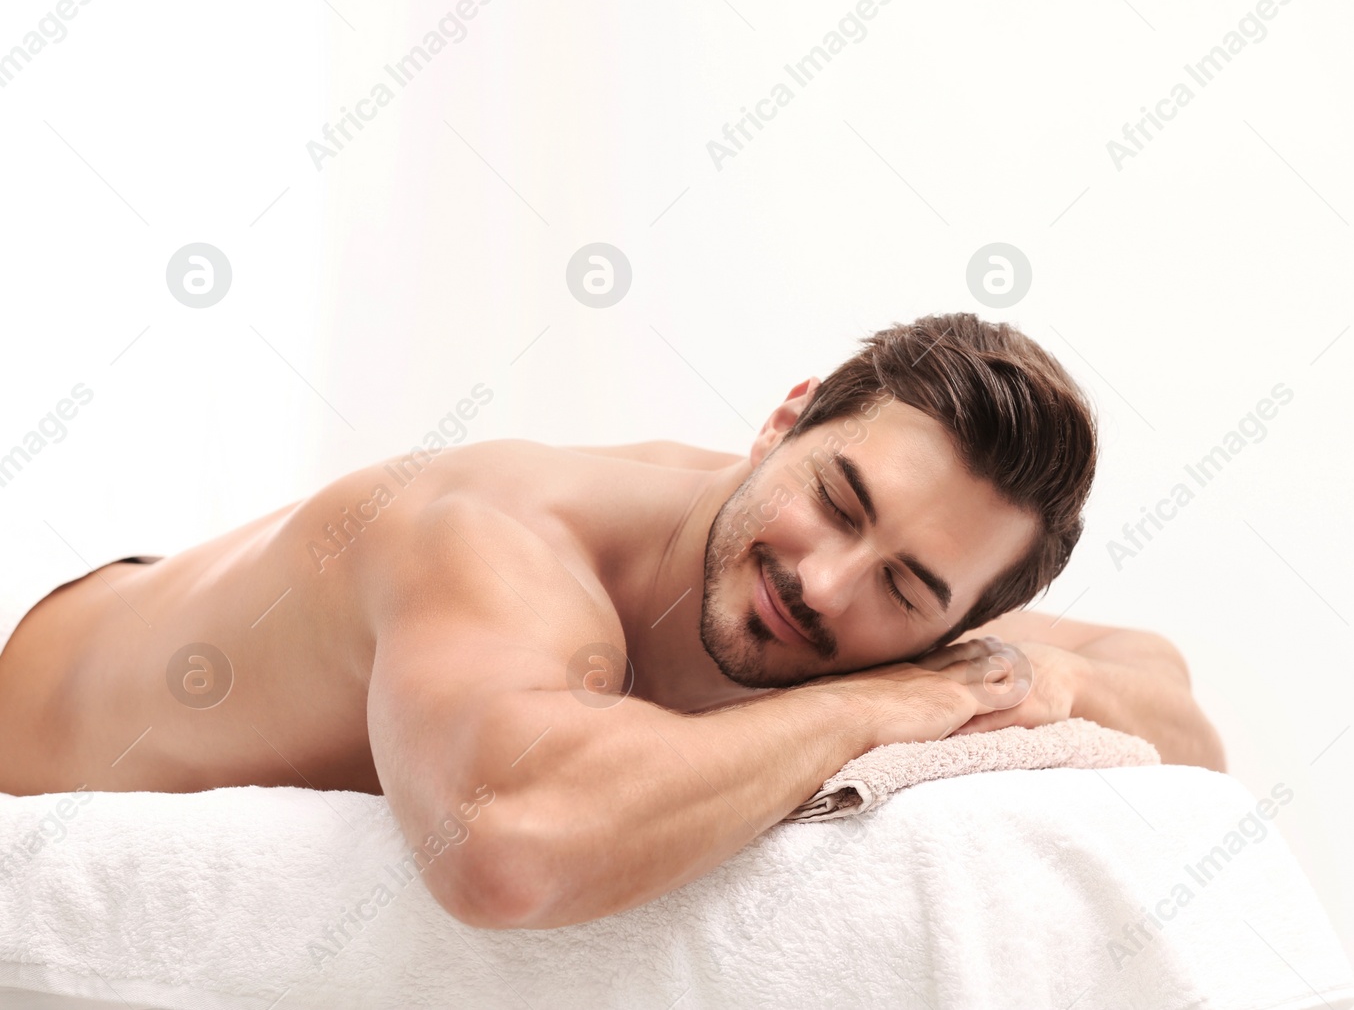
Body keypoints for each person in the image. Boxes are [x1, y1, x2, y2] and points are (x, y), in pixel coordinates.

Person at [0, 312, 1223, 929]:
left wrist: (1031, 680)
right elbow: (503, 847)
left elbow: (1173, 707)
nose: (827, 585)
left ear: (961, 614)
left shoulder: (892, 606)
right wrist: (881, 701)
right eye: (836, 500)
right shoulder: (492, 529)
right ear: (787, 418)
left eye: (908, 590)